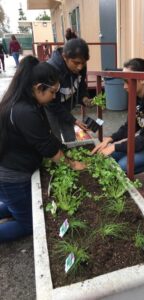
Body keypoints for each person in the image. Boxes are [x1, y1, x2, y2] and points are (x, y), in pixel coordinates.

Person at [0, 55, 84, 243]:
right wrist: (72, 164)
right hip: (12, 177)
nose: (55, 97)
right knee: (29, 224)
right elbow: (48, 148)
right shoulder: (24, 111)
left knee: (18, 205)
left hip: (12, 174)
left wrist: (64, 148)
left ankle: (13, 206)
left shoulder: (26, 102)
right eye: (53, 92)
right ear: (38, 88)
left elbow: (47, 137)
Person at [46, 38, 91, 142]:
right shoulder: (52, 70)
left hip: (66, 107)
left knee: (70, 138)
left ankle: (70, 156)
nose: (80, 67)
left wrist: (84, 98)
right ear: (65, 57)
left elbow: (81, 83)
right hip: (50, 108)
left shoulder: (81, 65)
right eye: (76, 63)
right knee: (55, 139)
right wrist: (74, 120)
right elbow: (52, 104)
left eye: (83, 63)